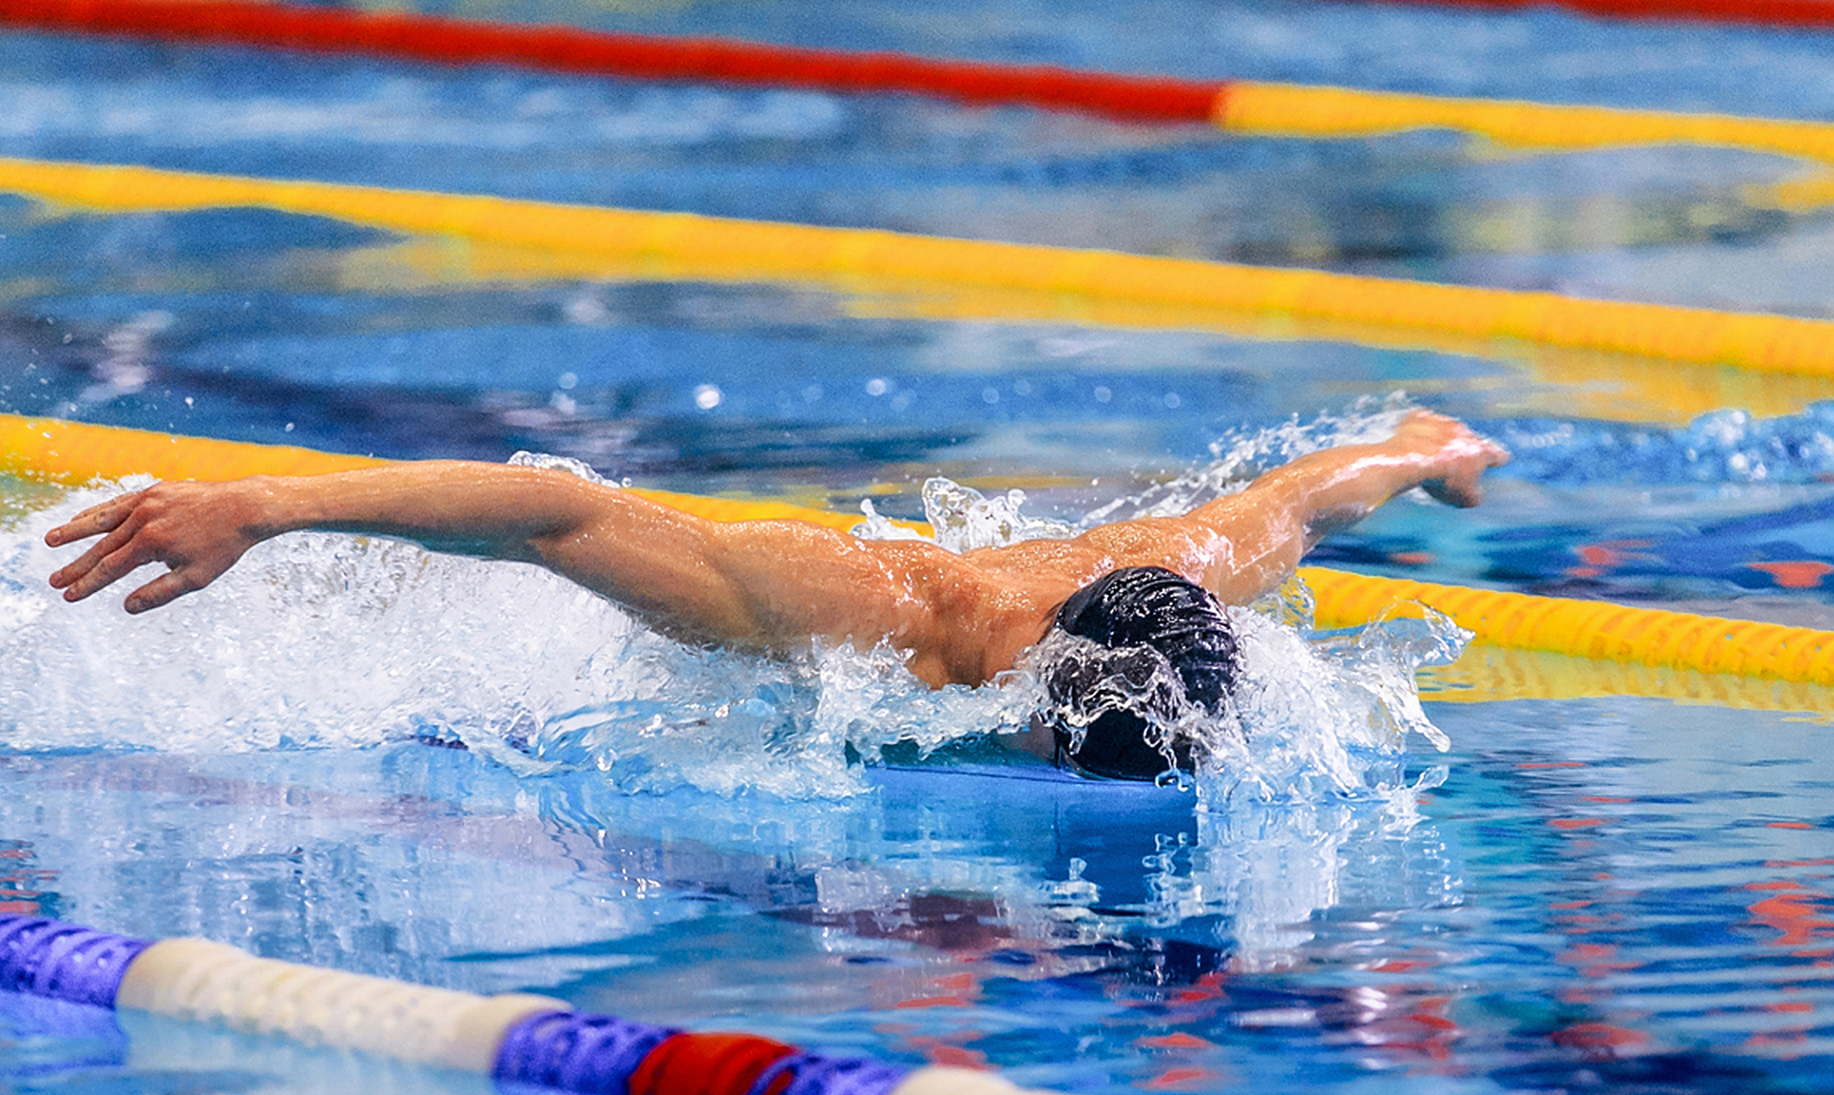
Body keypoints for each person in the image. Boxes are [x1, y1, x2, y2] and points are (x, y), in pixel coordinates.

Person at [45, 409, 1508, 778]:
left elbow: (1318, 488)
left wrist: (1436, 452)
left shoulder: (1193, 575)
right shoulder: (853, 611)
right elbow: (559, 506)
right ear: (1031, 692)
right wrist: (263, 506)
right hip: (559, 638)